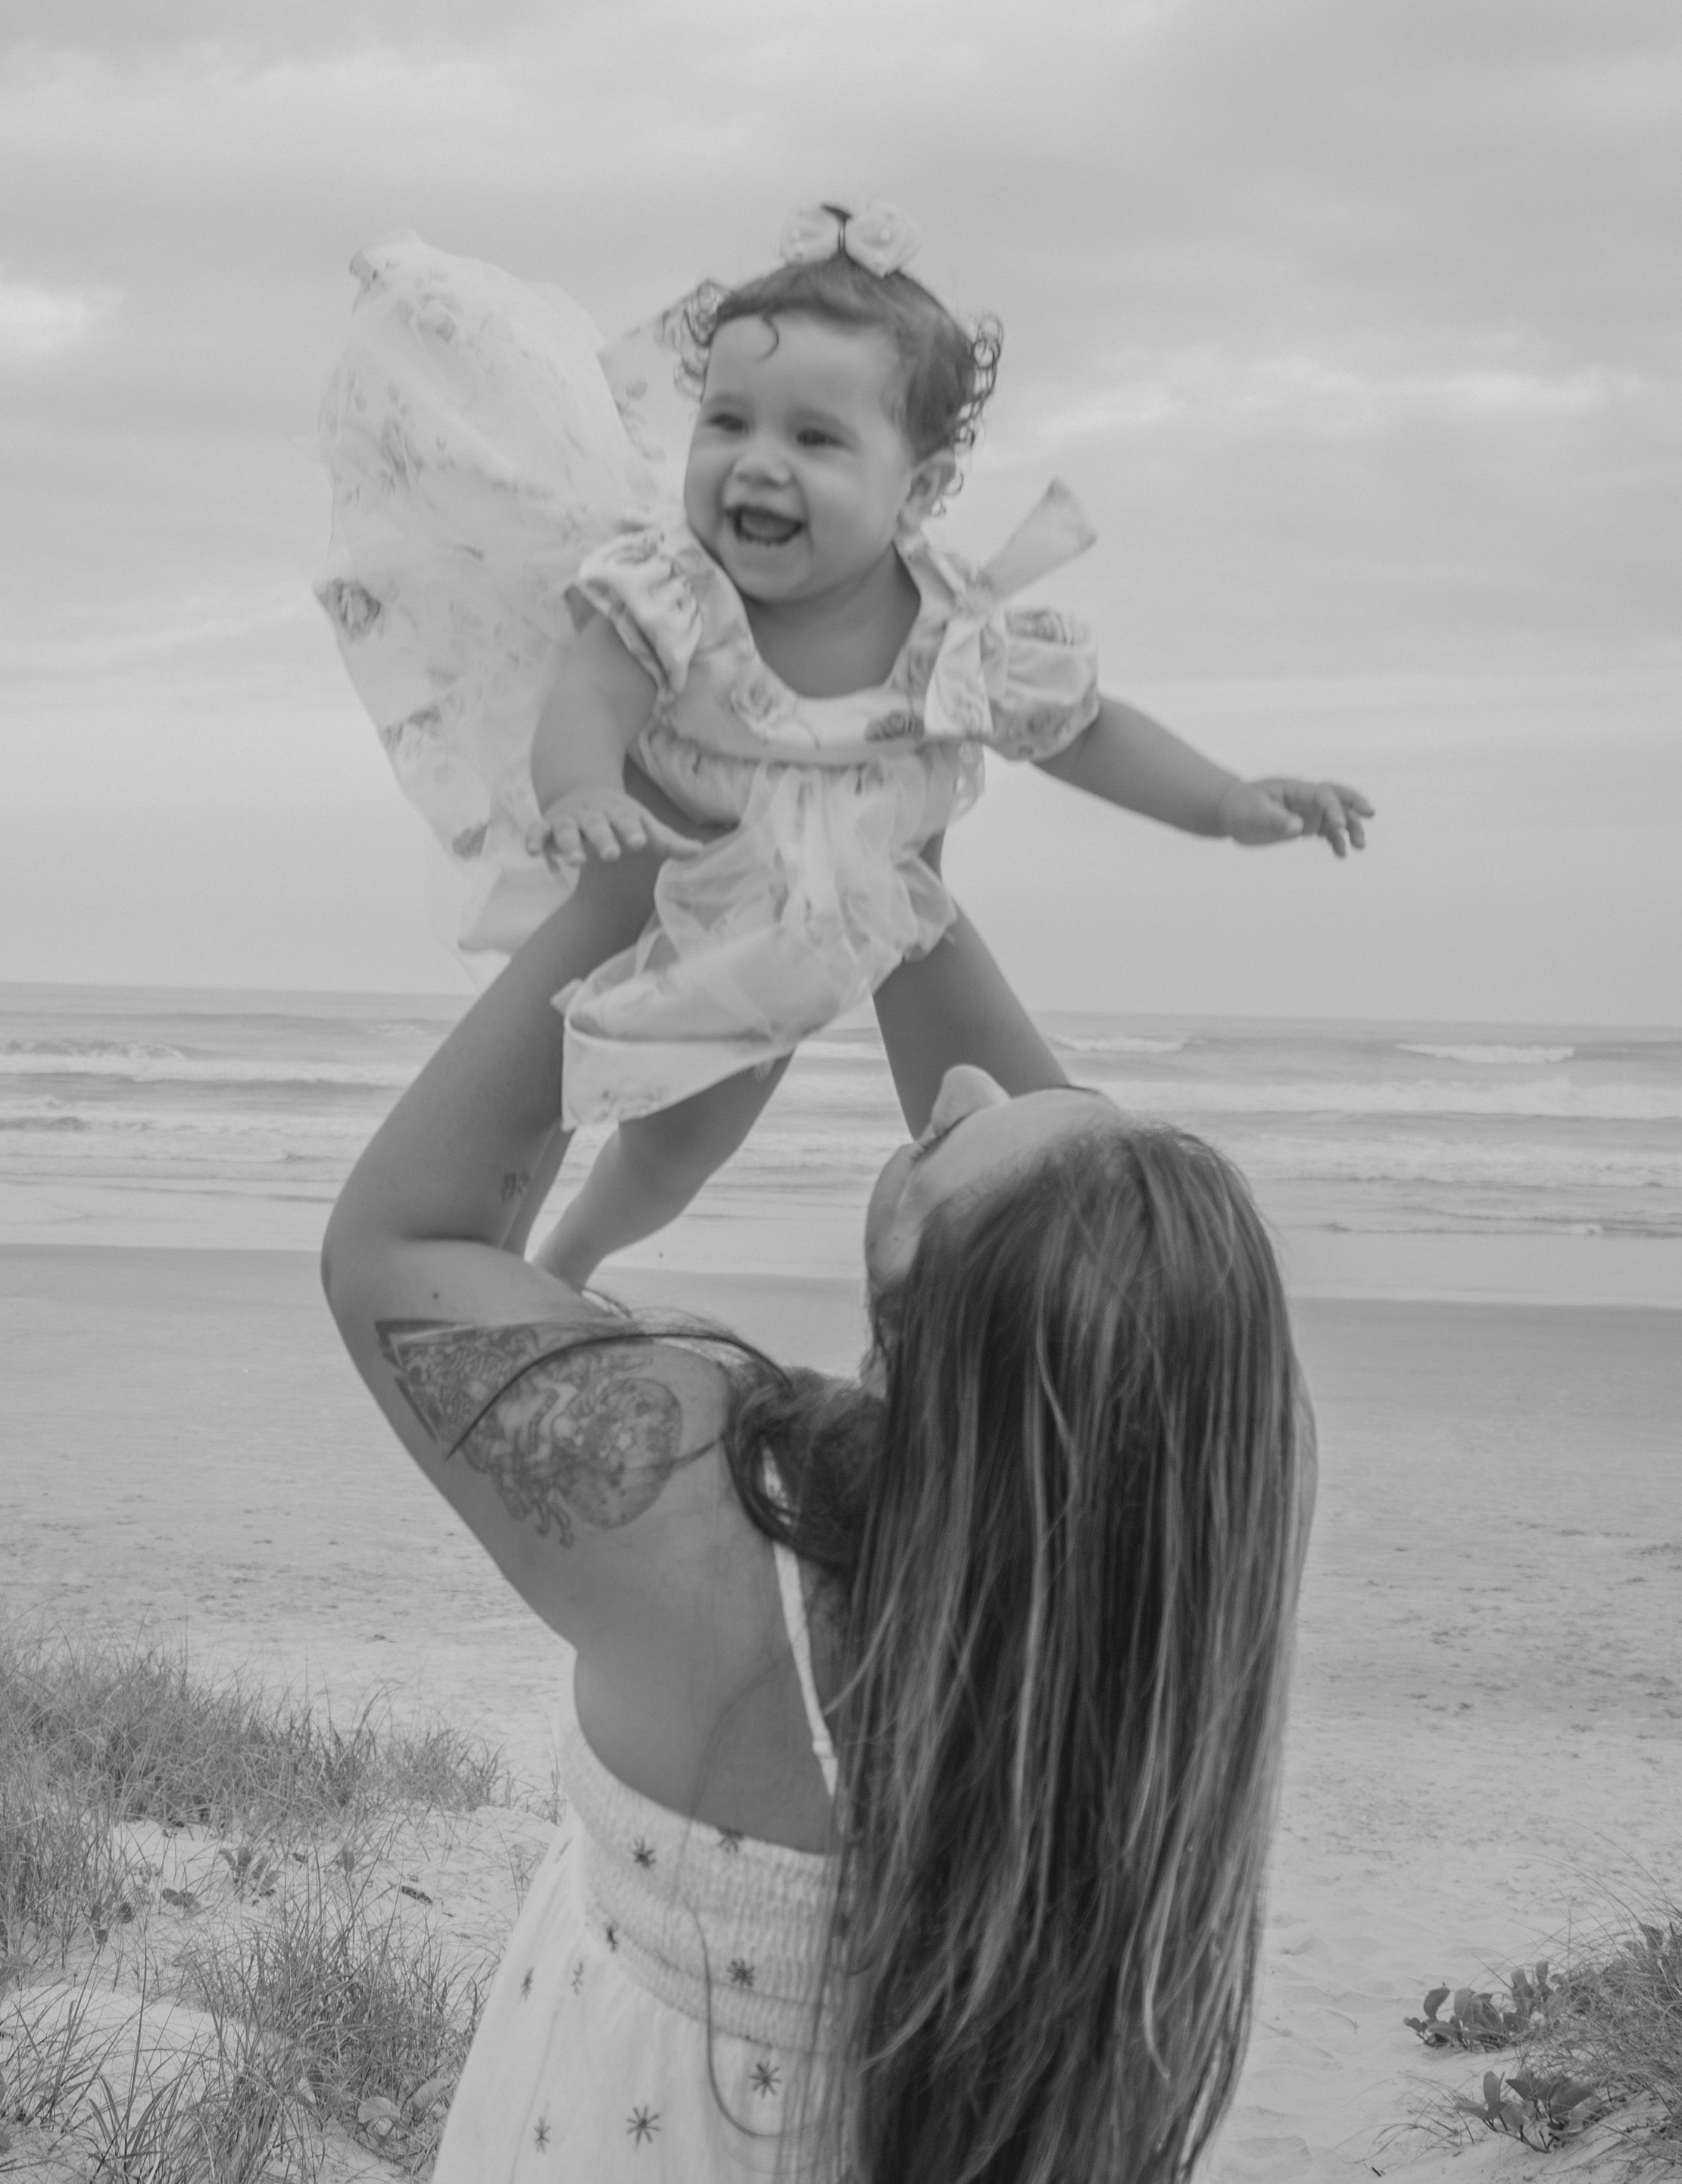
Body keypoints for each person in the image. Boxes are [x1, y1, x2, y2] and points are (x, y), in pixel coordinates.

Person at [321, 844, 1317, 2182]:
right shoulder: (1168, 1566)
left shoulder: (725, 1545)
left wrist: (627, 892)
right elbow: (1069, 1232)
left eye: (947, 1135)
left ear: (943, 1348)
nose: (957, 1085)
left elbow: (397, 1246)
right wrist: (877, 843)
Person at [320, 202, 1371, 1286]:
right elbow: (588, 693)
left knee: (1019, 1126)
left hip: (884, 895)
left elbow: (1083, 731)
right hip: (710, 903)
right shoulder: (679, 590)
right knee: (677, 1141)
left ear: (916, 490)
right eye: (728, 423)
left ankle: (1057, 1290)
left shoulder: (955, 626)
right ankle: (574, 1255)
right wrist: (583, 787)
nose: (757, 463)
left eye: (815, 438)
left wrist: (1229, 802)